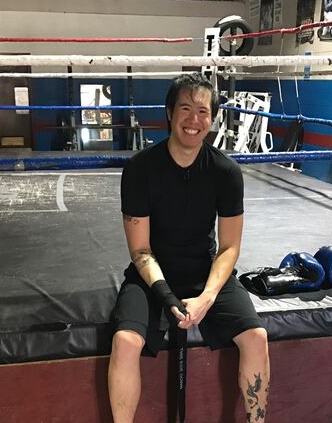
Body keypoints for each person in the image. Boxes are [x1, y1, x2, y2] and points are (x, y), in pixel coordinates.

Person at [109, 73, 269, 423]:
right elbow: (140, 250)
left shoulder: (225, 172)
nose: (193, 120)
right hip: (151, 275)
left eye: (203, 111)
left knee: (256, 337)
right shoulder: (140, 169)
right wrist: (166, 296)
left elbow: (229, 247)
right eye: (185, 109)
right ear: (169, 113)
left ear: (212, 119)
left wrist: (208, 297)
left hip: (204, 271)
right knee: (125, 342)